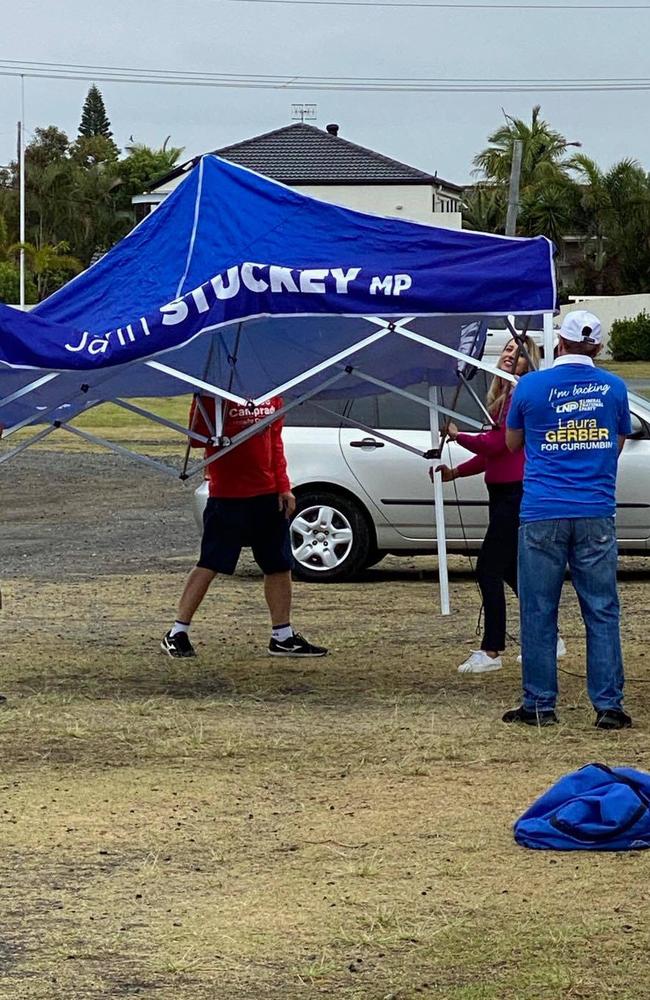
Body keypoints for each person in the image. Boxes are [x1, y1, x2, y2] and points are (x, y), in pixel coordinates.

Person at [504, 310, 632, 730]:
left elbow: (511, 443)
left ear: (559, 342)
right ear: (596, 346)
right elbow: (616, 442)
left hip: (542, 511)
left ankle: (539, 703)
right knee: (601, 609)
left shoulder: (531, 385)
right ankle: (608, 705)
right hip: (595, 510)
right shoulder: (614, 388)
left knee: (539, 609)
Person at [161, 394, 327, 659]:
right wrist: (213, 408)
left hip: (268, 494)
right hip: (227, 496)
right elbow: (196, 438)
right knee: (210, 562)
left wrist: (284, 486)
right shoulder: (213, 395)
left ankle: (282, 636)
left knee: (278, 563)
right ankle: (177, 632)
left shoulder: (273, 395)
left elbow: (275, 443)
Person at [435, 336, 564, 674]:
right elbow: (492, 455)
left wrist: (457, 435)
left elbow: (496, 445)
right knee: (510, 568)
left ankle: (491, 649)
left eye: (519, 354)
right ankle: (550, 635)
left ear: (529, 363)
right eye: (507, 350)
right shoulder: (499, 399)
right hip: (502, 492)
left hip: (516, 493)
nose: (510, 356)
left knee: (488, 568)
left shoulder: (520, 395)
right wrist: (455, 473)